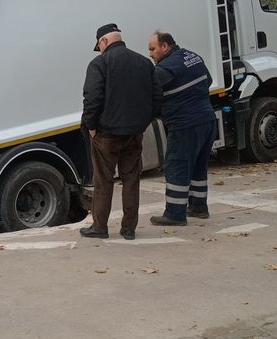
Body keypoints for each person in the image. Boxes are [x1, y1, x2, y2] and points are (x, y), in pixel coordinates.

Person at [79, 24, 161, 240]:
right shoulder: (144, 63)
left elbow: (92, 99)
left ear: (104, 41)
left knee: (103, 181)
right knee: (131, 180)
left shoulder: (99, 64)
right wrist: (142, 123)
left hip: (106, 135)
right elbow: (157, 99)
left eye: (99, 46)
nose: (100, 50)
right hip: (134, 134)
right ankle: (128, 229)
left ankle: (100, 227)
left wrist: (92, 127)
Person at [147, 31, 217, 226]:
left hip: (184, 124)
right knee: (197, 167)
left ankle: (175, 214)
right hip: (208, 120)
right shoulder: (193, 56)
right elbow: (208, 81)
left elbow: (149, 92)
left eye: (153, 49)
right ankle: (199, 207)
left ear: (165, 46)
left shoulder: (165, 68)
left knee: (176, 166)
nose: (150, 54)